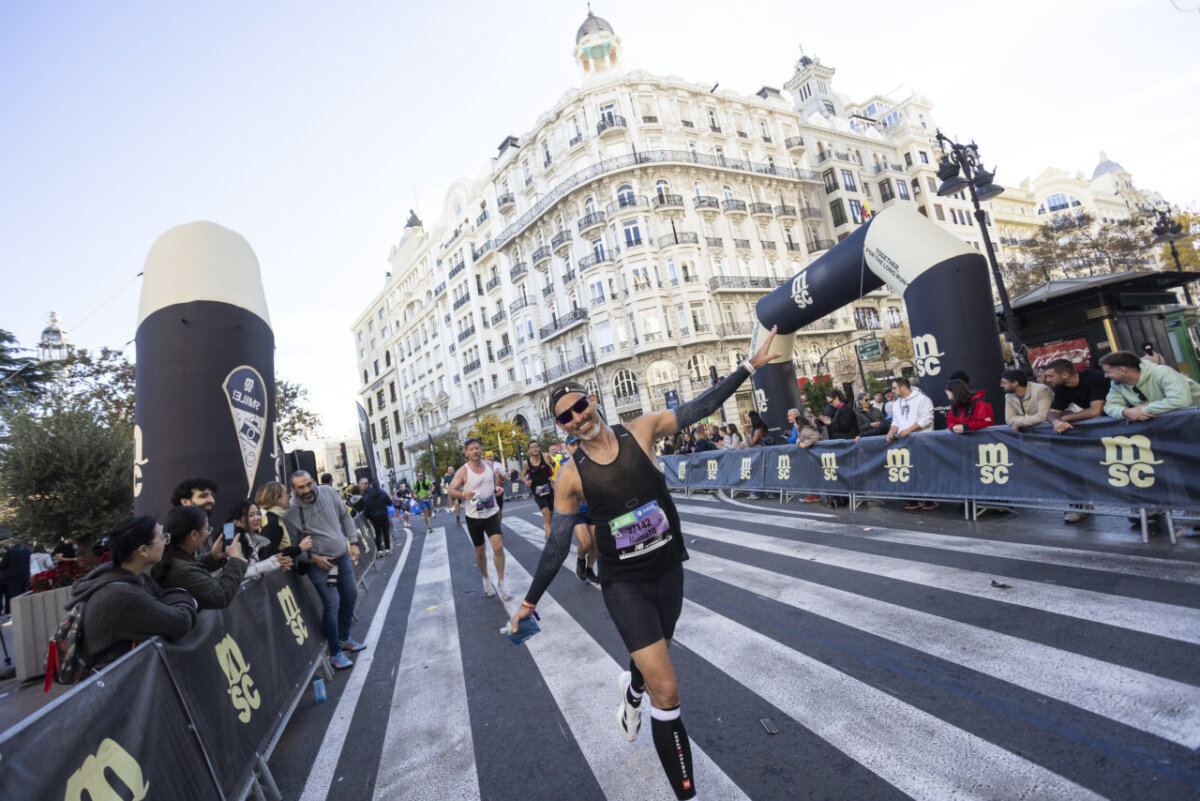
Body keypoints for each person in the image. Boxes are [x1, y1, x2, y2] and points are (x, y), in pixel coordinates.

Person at [509, 326, 781, 801]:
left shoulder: (641, 430)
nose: (577, 418)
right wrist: (529, 602)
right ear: (561, 427)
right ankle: (686, 793)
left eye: (579, 407)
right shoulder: (569, 476)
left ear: (593, 401)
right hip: (625, 584)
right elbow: (557, 544)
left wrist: (747, 366)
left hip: (669, 570)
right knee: (668, 691)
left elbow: (699, 408)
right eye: (565, 417)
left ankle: (631, 691)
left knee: (655, 660)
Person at [65, 516, 198, 668]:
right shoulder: (123, 596)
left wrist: (173, 598)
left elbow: (163, 596)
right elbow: (181, 622)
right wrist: (186, 597)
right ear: (143, 550)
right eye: (162, 538)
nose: (165, 543)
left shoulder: (127, 577)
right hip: (117, 679)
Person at [284, 471, 366, 670]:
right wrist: (313, 559)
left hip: (342, 558)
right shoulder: (290, 511)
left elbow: (345, 517)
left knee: (350, 594)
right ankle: (335, 653)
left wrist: (354, 543)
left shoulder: (328, 492)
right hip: (320, 565)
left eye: (308, 484)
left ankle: (344, 638)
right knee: (332, 604)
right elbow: (292, 547)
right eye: (301, 487)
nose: (306, 490)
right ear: (293, 490)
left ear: (314, 481)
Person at [448, 438, 510, 601]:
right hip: (474, 516)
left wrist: (497, 488)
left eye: (477, 448)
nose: (475, 451)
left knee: (498, 546)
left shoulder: (489, 465)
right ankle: (486, 579)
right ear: (466, 452)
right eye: (471, 449)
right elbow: (451, 490)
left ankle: (502, 581)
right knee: (480, 551)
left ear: (481, 449)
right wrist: (463, 494)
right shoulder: (463, 471)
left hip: (491, 513)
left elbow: (493, 484)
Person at [155, 506, 248, 609]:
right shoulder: (182, 571)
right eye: (207, 529)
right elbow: (221, 596)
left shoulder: (172, 556)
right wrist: (236, 560)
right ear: (194, 534)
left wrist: (213, 557)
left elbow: (191, 568)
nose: (207, 534)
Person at [1100, 350, 1200, 420]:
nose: (1105, 376)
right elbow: (1109, 406)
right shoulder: (1117, 384)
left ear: (1122, 370)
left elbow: (1180, 401)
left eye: (1107, 372)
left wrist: (1140, 412)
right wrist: (1125, 412)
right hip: (1177, 424)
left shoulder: (1162, 372)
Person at [887, 377, 936, 511]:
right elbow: (896, 422)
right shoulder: (896, 404)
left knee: (924, 471)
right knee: (909, 472)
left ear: (903, 387)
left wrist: (909, 430)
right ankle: (913, 499)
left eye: (895, 388)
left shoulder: (922, 399)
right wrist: (891, 432)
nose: (893, 391)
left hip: (922, 442)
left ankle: (929, 499)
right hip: (905, 444)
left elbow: (927, 420)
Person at [563, 435, 600, 587]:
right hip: (576, 511)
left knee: (595, 544)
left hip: (592, 509)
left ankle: (590, 570)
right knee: (585, 543)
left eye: (579, 444)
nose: (577, 447)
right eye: (573, 445)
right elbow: (559, 489)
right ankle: (580, 559)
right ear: (567, 448)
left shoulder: (590, 462)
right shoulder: (564, 465)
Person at [226, 500, 296, 578]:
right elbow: (242, 575)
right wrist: (272, 564)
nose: (257, 518)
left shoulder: (252, 538)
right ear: (238, 522)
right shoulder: (232, 544)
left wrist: (277, 564)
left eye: (258, 513)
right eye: (251, 515)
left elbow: (257, 568)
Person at [255, 482, 313, 564]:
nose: (289, 495)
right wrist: (299, 548)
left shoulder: (270, 517)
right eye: (285, 493)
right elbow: (267, 555)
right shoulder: (271, 522)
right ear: (277, 499)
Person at [1046, 359, 1108, 435]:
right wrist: (1056, 422)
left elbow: (1095, 412)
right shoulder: (1061, 387)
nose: (1047, 379)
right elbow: (1052, 413)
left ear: (1065, 375)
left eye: (1050, 376)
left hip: (1118, 419)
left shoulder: (1095, 378)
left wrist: (1063, 419)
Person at [524, 440, 555, 538]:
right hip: (538, 492)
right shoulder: (526, 463)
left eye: (536, 446)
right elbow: (522, 475)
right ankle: (549, 539)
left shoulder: (546, 456)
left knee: (551, 515)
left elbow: (555, 465)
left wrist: (553, 476)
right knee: (547, 516)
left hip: (550, 489)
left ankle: (547, 527)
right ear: (529, 450)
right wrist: (526, 481)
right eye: (532, 447)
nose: (535, 449)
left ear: (539, 448)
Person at [361, 479, 394, 556]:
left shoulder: (368, 496)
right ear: (378, 486)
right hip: (384, 515)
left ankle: (379, 551)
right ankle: (387, 549)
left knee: (378, 534)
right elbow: (390, 503)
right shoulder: (383, 493)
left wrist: (369, 516)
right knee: (386, 533)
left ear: (371, 486)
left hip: (374, 517)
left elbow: (366, 509)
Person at [0, 541, 30, 615]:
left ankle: (14, 613)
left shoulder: (10, 552)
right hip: (25, 576)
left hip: (13, 577)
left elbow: (3, 565)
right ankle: (24, 611)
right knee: (23, 594)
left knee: (14, 596)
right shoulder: (26, 551)